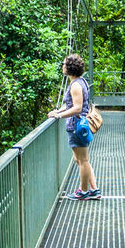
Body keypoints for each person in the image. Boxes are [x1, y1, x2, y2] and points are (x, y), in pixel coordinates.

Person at [48, 54, 101, 200]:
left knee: (83, 160)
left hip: (77, 126)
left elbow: (77, 108)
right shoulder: (80, 81)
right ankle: (94, 189)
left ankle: (83, 191)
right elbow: (71, 104)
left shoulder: (76, 85)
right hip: (78, 125)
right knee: (80, 159)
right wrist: (58, 111)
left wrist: (59, 116)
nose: (62, 66)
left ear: (69, 68)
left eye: (64, 64)